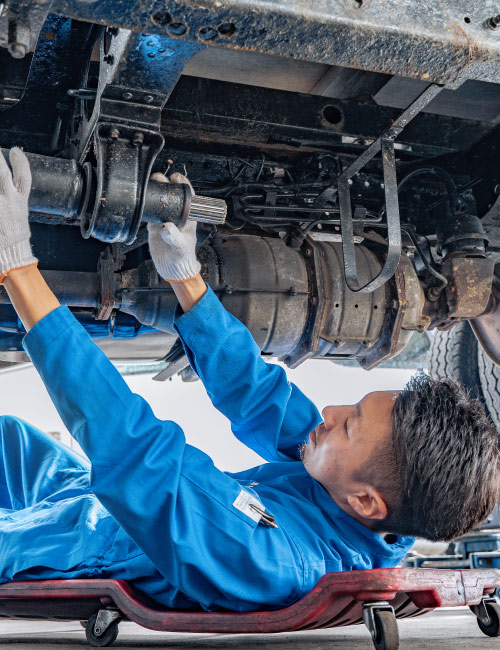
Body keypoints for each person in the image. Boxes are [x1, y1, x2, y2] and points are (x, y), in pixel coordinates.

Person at [0, 148, 498, 613]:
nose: (329, 414)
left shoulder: (276, 561)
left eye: (348, 426)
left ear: (366, 501)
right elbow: (262, 399)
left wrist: (18, 266)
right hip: (86, 500)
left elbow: (137, 455)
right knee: (10, 439)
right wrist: (186, 275)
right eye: (352, 408)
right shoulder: (364, 497)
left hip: (76, 542)